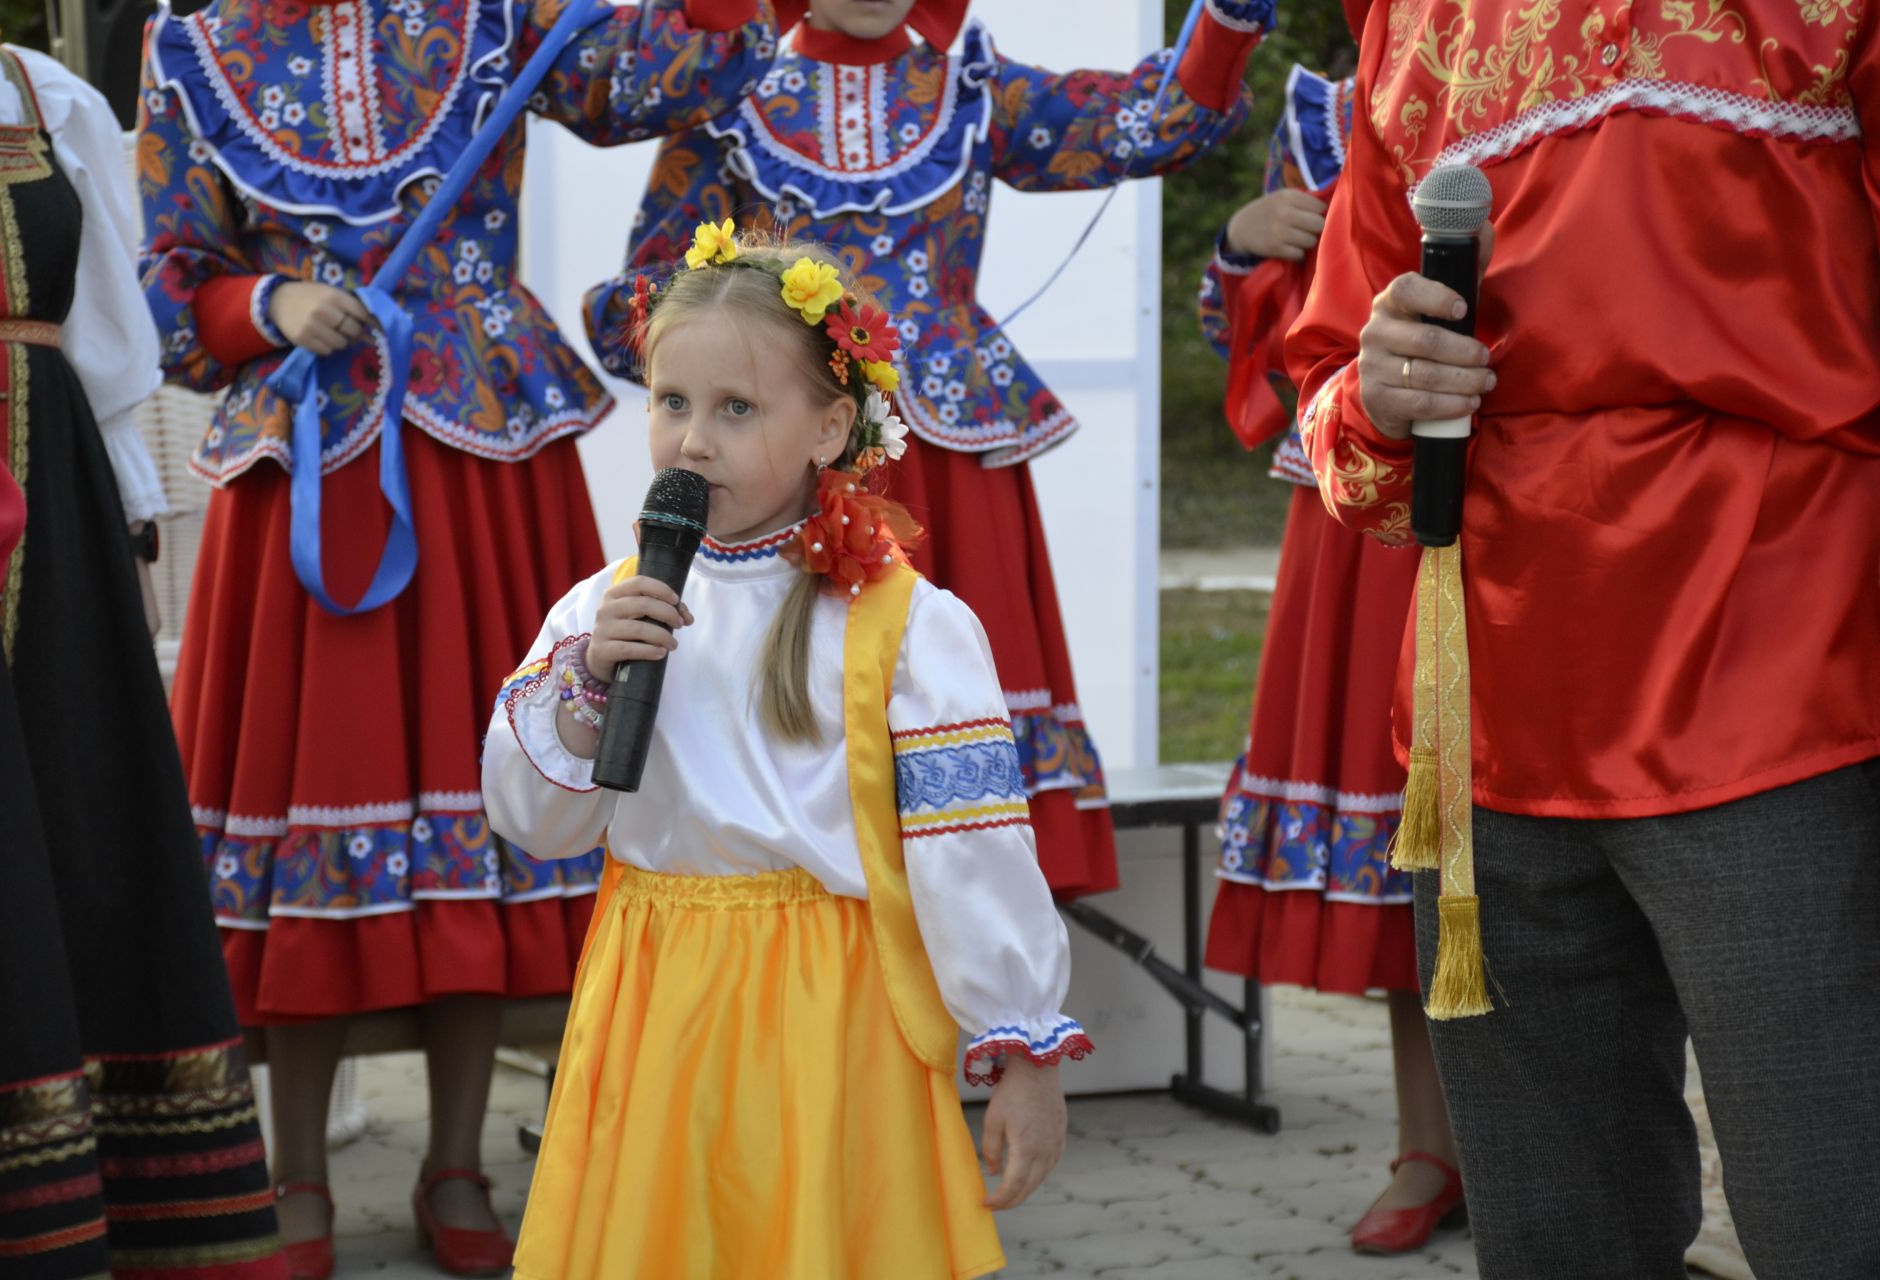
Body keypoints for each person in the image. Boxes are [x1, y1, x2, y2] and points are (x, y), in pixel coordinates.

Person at [134, 1, 779, 1274]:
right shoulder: (195, 44)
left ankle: (461, 1161)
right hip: (310, 460)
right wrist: (271, 299)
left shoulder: (497, 11)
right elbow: (164, 285)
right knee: (315, 803)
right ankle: (296, 1171)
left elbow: (662, 80)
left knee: (495, 813)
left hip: (479, 453)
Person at [1289, 2, 1880, 1276]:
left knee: (1834, 1209)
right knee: (1557, 1233)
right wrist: (1378, 393)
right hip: (1487, 705)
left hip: (1781, 678)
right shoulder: (1411, 22)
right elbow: (1335, 395)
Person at [484, 229, 1088, 1279]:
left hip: (827, 1011)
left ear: (831, 425)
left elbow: (972, 850)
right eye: (671, 402)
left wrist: (1020, 1045)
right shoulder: (608, 606)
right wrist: (585, 685)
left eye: (736, 408)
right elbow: (539, 822)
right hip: (650, 998)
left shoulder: (907, 622)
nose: (692, 442)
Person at [582, 0, 1277, 900]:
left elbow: (1149, 120)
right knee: (812, 729)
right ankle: (810, 947)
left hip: (951, 461)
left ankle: (984, 999)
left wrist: (1226, 21)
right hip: (794, 470)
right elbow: (651, 303)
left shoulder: (972, 85)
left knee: (961, 728)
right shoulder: (734, 89)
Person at [0, 30, 286, 1278]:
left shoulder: (49, 98)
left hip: (58, 514)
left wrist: (132, 516)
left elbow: (105, 341)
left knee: (85, 827)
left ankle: (118, 1210)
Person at [1198, 63, 1460, 1257]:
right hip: (1362, 508)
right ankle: (1430, 1143)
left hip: (1537, 477)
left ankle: (1582, 1142)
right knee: (1411, 832)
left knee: (1525, 828)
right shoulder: (1320, 103)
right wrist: (1236, 244)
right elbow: (1240, 338)